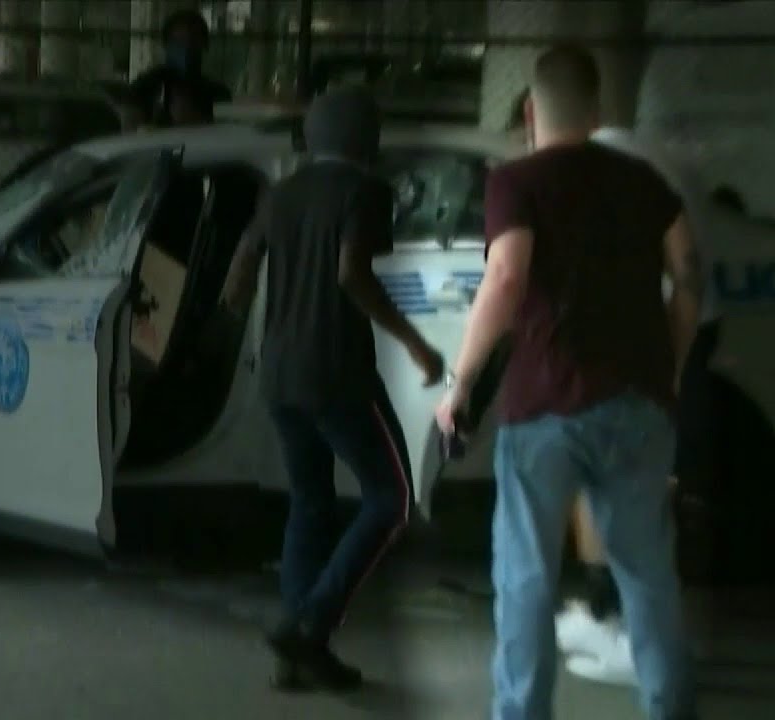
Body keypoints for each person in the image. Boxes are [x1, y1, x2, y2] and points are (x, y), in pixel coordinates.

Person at [436, 45, 699, 719]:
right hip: (638, 402)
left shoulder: (515, 182)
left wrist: (460, 382)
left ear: (530, 111)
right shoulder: (642, 181)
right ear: (598, 110)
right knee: (647, 576)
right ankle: (669, 708)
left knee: (526, 576)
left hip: (544, 405)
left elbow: (505, 278)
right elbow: (688, 275)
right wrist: (669, 362)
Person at [220, 87, 444, 692]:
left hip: (280, 375)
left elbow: (240, 271)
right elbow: (352, 274)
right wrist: (417, 344)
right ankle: (313, 623)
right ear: (366, 138)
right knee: (391, 498)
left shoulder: (282, 192)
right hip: (338, 373)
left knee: (309, 501)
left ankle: (296, 657)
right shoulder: (366, 192)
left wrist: (235, 318)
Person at [507, 90, 723, 688]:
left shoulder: (598, 167)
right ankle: (614, 621)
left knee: (622, 491)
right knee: (631, 489)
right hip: (683, 324)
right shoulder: (630, 151)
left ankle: (628, 635)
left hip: (652, 338)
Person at [127, 9, 233, 127]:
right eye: (178, 42)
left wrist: (196, 120)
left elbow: (224, 130)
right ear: (166, 45)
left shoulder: (217, 92)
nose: (186, 48)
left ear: (205, 46)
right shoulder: (147, 84)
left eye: (193, 42)